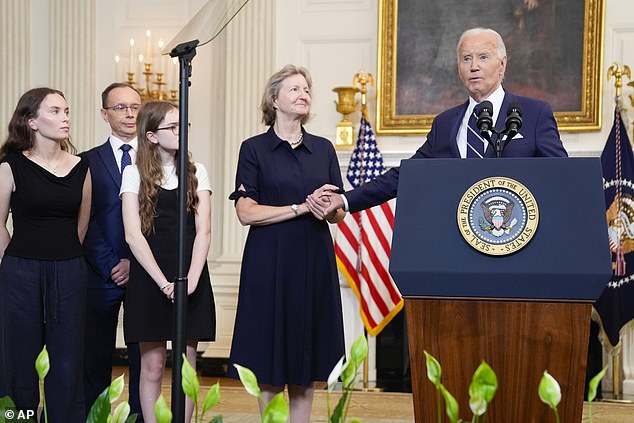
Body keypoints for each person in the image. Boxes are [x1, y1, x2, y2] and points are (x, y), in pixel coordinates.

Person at [307, 27, 568, 217]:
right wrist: (345, 199)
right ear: (458, 68)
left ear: (502, 64)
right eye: (467, 59)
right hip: (459, 243)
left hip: (520, 240)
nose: (474, 66)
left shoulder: (533, 114)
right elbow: (405, 175)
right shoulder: (445, 124)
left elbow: (562, 178)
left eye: (483, 57)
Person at [227, 64, 346, 423]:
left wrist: (328, 208)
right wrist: (299, 207)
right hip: (269, 262)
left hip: (313, 260)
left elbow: (338, 212)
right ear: (274, 99)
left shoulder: (323, 149)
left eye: (306, 89)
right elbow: (246, 213)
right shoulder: (254, 149)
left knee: (305, 360)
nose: (303, 94)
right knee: (269, 358)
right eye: (294, 89)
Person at [0, 87, 92, 422]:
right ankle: (19, 419)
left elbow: (81, 225)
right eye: (55, 111)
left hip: (69, 270)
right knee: (19, 358)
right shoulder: (10, 166)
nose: (65, 117)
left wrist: (62, 257)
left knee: (68, 359)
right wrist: (20, 262)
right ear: (32, 121)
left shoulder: (82, 166)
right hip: (20, 271)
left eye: (66, 111)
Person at [120, 100, 215, 423]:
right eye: (173, 127)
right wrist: (163, 283)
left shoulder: (197, 171)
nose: (181, 132)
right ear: (151, 136)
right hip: (150, 277)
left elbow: (204, 231)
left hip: (191, 274)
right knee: (154, 364)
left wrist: (190, 280)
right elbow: (133, 235)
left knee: (187, 364)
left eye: (183, 126)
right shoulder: (133, 174)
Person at [81, 82, 143, 419]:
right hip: (99, 275)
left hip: (146, 274)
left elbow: (161, 218)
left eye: (135, 106)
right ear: (105, 114)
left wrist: (135, 262)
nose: (130, 113)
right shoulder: (85, 162)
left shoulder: (158, 157)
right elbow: (84, 220)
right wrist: (110, 264)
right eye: (120, 107)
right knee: (95, 359)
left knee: (145, 362)